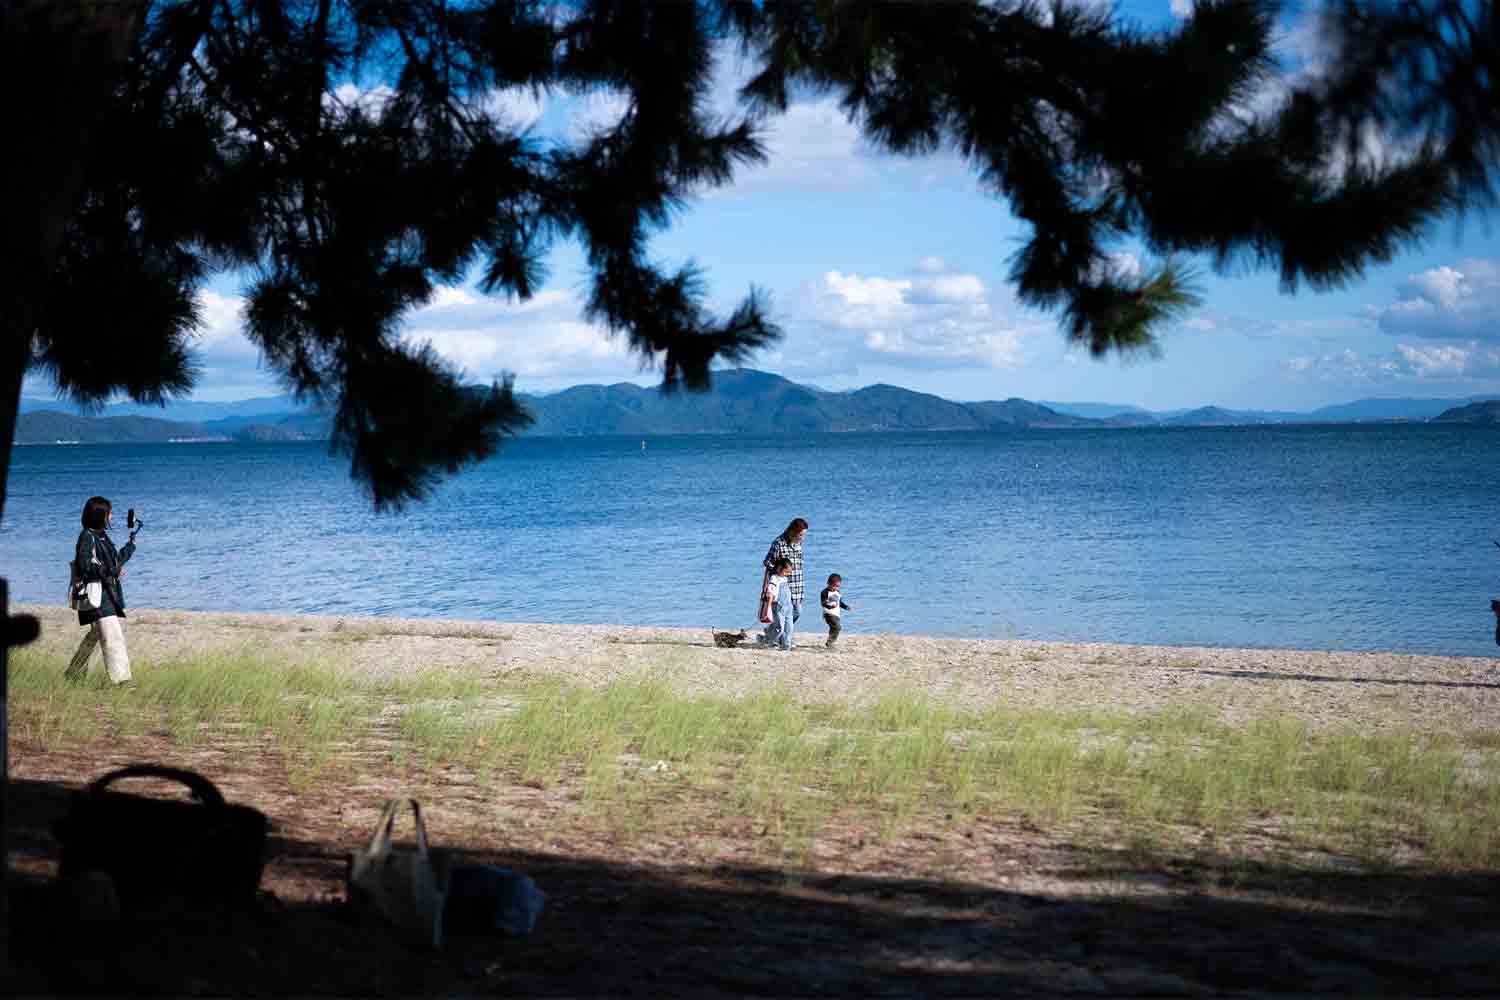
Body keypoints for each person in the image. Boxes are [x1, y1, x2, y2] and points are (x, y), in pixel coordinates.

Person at [66, 496, 138, 685]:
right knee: (112, 636)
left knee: (96, 635)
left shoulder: (102, 536)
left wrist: (131, 546)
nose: (111, 516)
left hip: (106, 595)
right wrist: (112, 571)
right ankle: (122, 681)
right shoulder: (87, 537)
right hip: (97, 596)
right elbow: (85, 566)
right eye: (109, 513)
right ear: (100, 515)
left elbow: (114, 563)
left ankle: (73, 673)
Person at [759, 518, 808, 650]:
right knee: (785, 614)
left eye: (804, 535)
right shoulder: (778, 543)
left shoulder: (798, 543)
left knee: (797, 611)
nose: (803, 537)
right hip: (782, 586)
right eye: (801, 534)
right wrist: (778, 571)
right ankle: (781, 637)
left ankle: (775, 632)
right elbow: (767, 562)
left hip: (798, 584)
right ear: (793, 531)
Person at [762, 558, 793, 650]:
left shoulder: (784, 578)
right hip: (778, 606)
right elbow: (770, 593)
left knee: (789, 626)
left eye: (789, 572)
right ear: (779, 568)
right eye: (786, 572)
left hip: (788, 606)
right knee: (779, 627)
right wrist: (768, 607)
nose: (788, 574)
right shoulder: (774, 578)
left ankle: (786, 644)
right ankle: (770, 641)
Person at [819, 573, 852, 649]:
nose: (835, 588)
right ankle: (830, 642)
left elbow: (839, 603)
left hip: (836, 614)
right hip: (828, 614)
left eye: (837, 586)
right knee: (837, 627)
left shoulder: (838, 592)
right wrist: (829, 606)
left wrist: (846, 607)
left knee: (833, 628)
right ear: (828, 583)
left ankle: (830, 641)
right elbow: (823, 603)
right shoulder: (824, 592)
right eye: (834, 586)